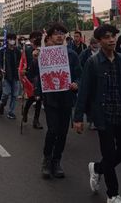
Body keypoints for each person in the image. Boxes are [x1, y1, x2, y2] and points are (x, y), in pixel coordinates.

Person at [74, 24, 121, 203]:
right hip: (103, 116)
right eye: (106, 37)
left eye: (113, 36)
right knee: (110, 154)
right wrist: (78, 117)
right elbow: (84, 91)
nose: (111, 40)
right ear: (99, 41)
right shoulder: (93, 63)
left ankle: (97, 168)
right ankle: (112, 194)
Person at [35, 22, 82, 179]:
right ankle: (46, 160)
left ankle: (57, 160)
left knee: (62, 132)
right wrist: (38, 92)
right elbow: (37, 75)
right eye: (56, 33)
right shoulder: (42, 54)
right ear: (49, 37)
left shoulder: (72, 55)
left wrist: (77, 84)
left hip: (66, 98)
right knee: (53, 130)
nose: (59, 36)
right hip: (51, 99)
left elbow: (79, 74)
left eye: (62, 33)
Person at [21, 30, 44, 129]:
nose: (36, 39)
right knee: (32, 98)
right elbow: (23, 64)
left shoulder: (44, 49)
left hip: (41, 77)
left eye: (38, 37)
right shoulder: (27, 50)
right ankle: (25, 112)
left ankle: (36, 120)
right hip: (31, 77)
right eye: (34, 38)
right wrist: (23, 72)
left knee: (39, 99)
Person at [0, 33, 22, 119]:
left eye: (13, 39)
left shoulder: (17, 51)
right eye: (10, 39)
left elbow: (21, 62)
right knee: (6, 93)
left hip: (15, 76)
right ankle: (2, 103)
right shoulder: (3, 51)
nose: (12, 40)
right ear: (7, 40)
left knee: (14, 95)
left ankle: (11, 112)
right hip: (6, 75)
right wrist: (1, 69)